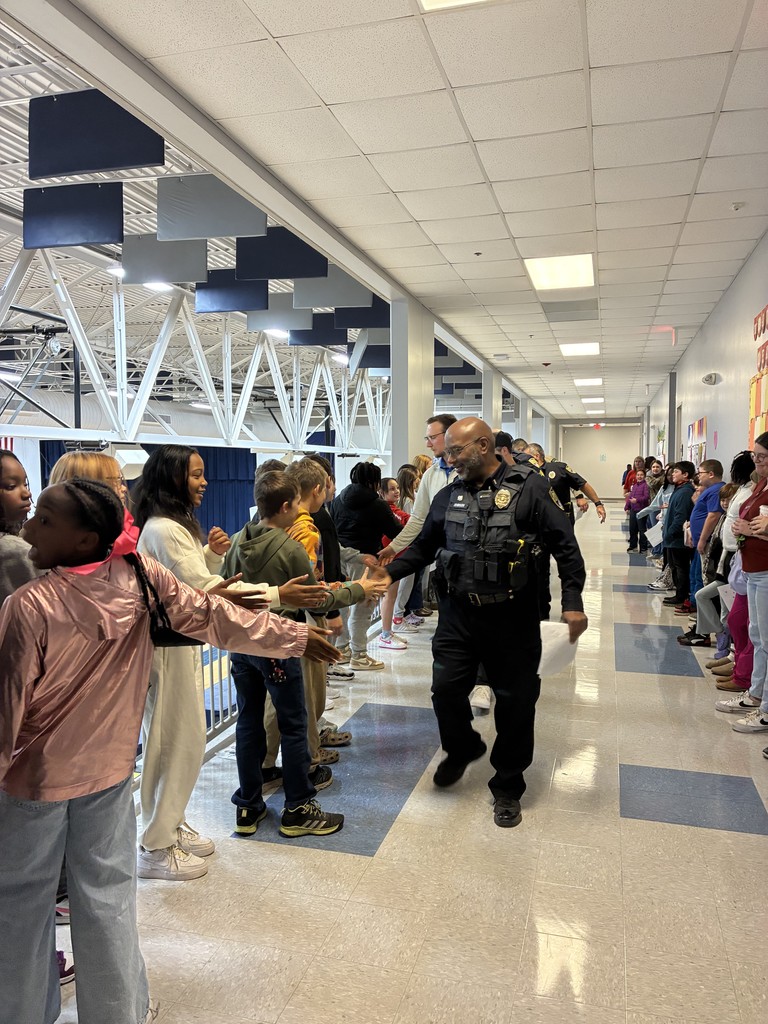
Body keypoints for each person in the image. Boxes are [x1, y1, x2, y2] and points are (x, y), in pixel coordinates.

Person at [0, 478, 339, 1024]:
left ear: (86, 539)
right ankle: (120, 1013)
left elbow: (5, 710)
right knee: (108, 900)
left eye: (45, 519)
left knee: (19, 908)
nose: (31, 526)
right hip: (110, 772)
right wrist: (293, 637)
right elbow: (212, 616)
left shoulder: (28, 604)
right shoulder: (139, 577)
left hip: (31, 784)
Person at [376, 417, 587, 828]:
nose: (449, 459)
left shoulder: (531, 489)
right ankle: (461, 747)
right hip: (458, 616)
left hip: (514, 617)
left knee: (515, 703)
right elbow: (424, 545)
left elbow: (566, 547)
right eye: (448, 451)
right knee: (444, 690)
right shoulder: (448, 494)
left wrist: (574, 602)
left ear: (485, 445)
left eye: (456, 451)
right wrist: (389, 572)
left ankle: (508, 786)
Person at [131, 445, 328, 880]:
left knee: (182, 744)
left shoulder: (171, 528)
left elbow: (192, 585)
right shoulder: (164, 529)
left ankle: (170, 823)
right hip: (166, 651)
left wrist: (211, 555)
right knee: (171, 745)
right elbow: (206, 598)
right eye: (196, 475)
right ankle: (155, 843)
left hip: (180, 648)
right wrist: (280, 597)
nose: (205, 483)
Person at [223, 470, 387, 836]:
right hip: (279, 644)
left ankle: (248, 807)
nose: (301, 510)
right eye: (296, 504)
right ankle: (298, 807)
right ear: (284, 507)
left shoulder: (236, 541)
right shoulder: (291, 549)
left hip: (242, 647)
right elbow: (318, 598)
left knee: (248, 722)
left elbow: (225, 590)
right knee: (294, 722)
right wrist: (359, 589)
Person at [330, 461, 404, 670]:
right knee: (363, 608)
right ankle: (360, 655)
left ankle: (342, 650)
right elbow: (395, 532)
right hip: (366, 560)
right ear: (374, 481)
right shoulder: (377, 504)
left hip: (340, 558)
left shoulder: (338, 499)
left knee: (343, 604)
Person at [720, 434, 768, 733]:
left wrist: (754, 529)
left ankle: (764, 707)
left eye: (762, 457)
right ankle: (756, 693)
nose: (757, 462)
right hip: (751, 566)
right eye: (755, 456)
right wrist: (746, 529)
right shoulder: (760, 484)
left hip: (765, 568)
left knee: (766, 638)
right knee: (758, 636)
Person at [377, 476, 412, 649]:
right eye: (391, 489)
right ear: (382, 492)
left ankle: (388, 630)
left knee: (391, 596)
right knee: (388, 597)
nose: (396, 491)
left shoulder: (395, 510)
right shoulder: (387, 512)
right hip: (388, 559)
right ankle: (384, 634)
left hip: (397, 558)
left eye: (397, 488)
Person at [662, 461, 696, 610]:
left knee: (680, 567)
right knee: (676, 567)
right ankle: (679, 593)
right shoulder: (679, 489)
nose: (672, 474)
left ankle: (681, 596)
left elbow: (680, 517)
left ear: (685, 474)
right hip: (672, 538)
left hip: (677, 539)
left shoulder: (684, 492)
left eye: (676, 471)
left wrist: (668, 534)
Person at [625, 467, 651, 552]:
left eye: (641, 475)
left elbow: (646, 497)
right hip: (633, 510)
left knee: (642, 529)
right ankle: (633, 545)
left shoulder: (645, 486)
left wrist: (637, 500)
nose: (639, 476)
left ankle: (643, 547)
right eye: (638, 475)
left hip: (642, 510)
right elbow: (630, 497)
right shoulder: (634, 486)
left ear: (644, 476)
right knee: (632, 528)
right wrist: (627, 506)